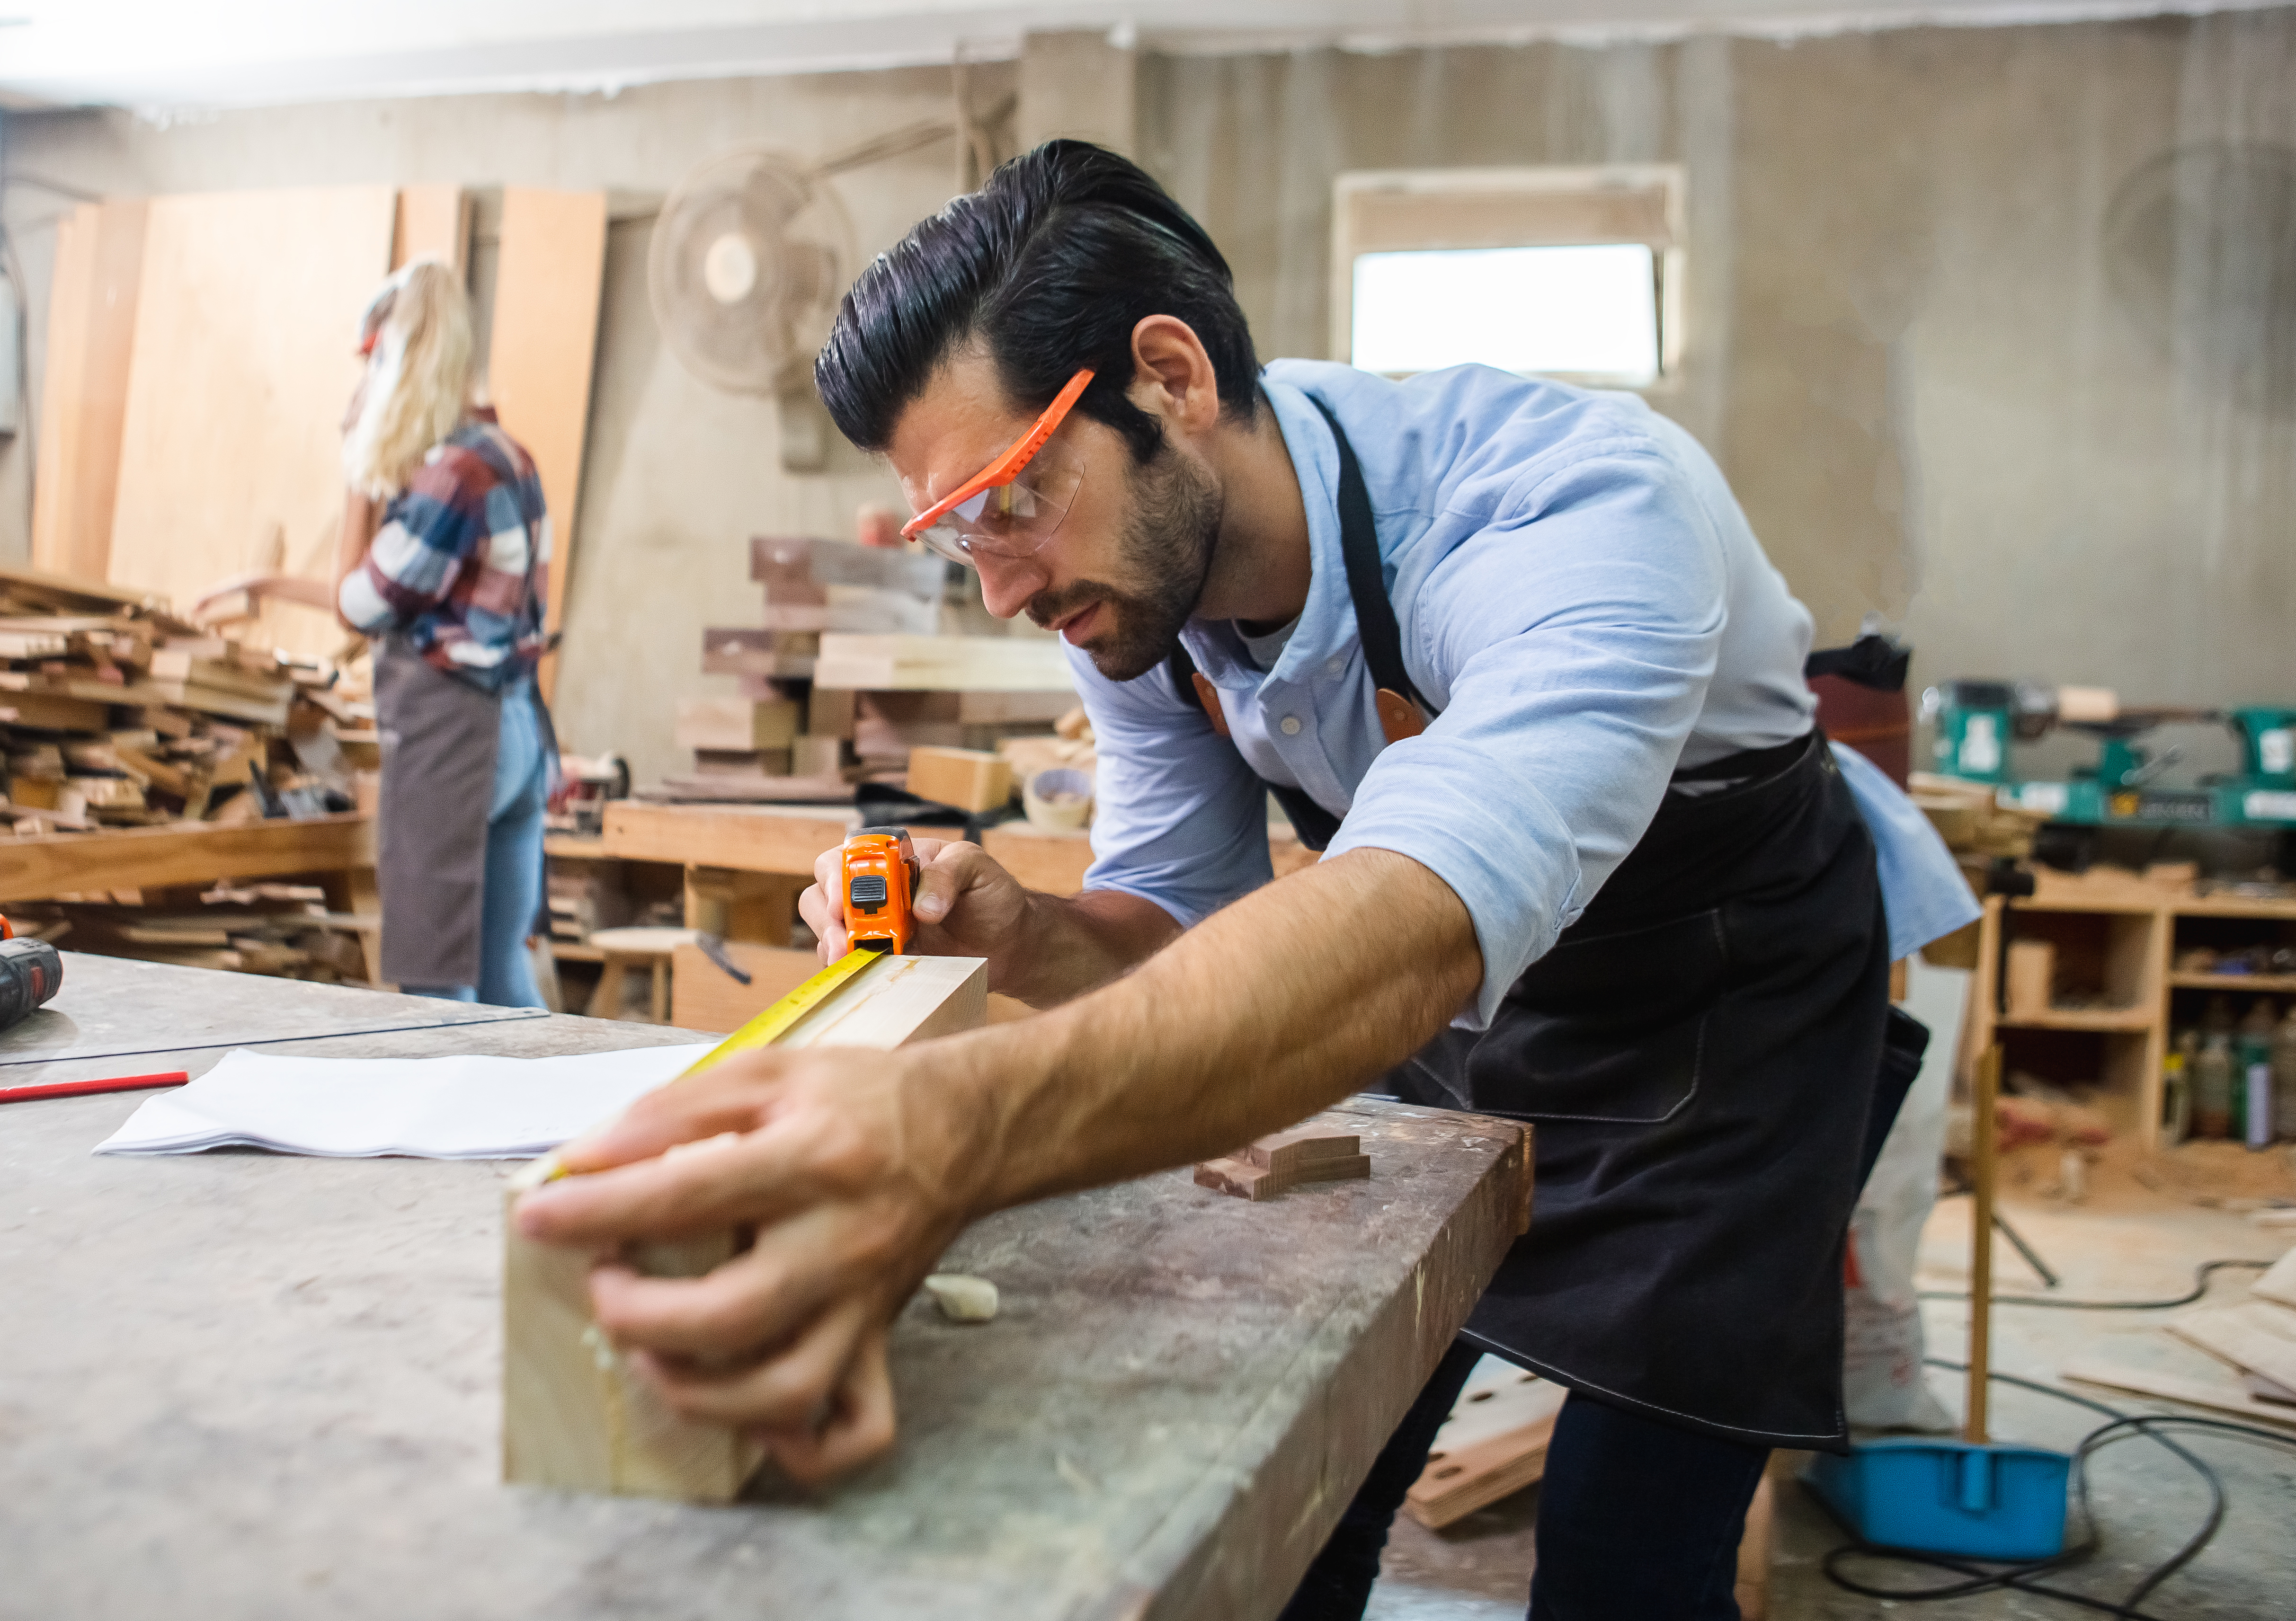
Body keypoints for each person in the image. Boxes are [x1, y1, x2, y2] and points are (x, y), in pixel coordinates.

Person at [514, 144, 1975, 1618]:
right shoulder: (1146, 597)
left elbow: (1409, 924)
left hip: (1716, 1012)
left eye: (1012, 503)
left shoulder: (1574, 511)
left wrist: (953, 1125)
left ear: (1171, 376)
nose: (1006, 590)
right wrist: (1031, 935)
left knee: (1623, 1557)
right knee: (1319, 1466)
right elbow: (1176, 925)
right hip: (1451, 984)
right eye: (959, 538)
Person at [195, 257, 553, 1008]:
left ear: (394, 359)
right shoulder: (506, 457)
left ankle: (455, 1124)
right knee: (499, 971)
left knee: (434, 983)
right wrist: (262, 584)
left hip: (457, 737)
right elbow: (401, 587)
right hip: (518, 729)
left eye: (372, 364)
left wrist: (358, 465)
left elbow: (359, 606)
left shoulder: (449, 476)